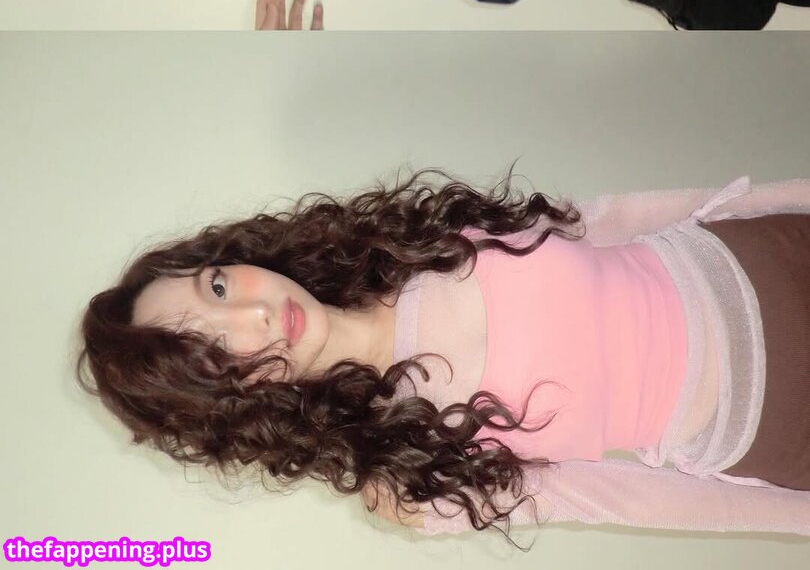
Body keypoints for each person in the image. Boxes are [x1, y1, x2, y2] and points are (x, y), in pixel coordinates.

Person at [79, 171, 810, 536]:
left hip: (770, 252)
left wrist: (791, 191)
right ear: (231, 406)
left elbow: (612, 221)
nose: (255, 312)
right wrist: (792, 513)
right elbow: (619, 498)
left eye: (216, 284)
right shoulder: (404, 464)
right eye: (215, 349)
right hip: (781, 419)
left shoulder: (403, 244)